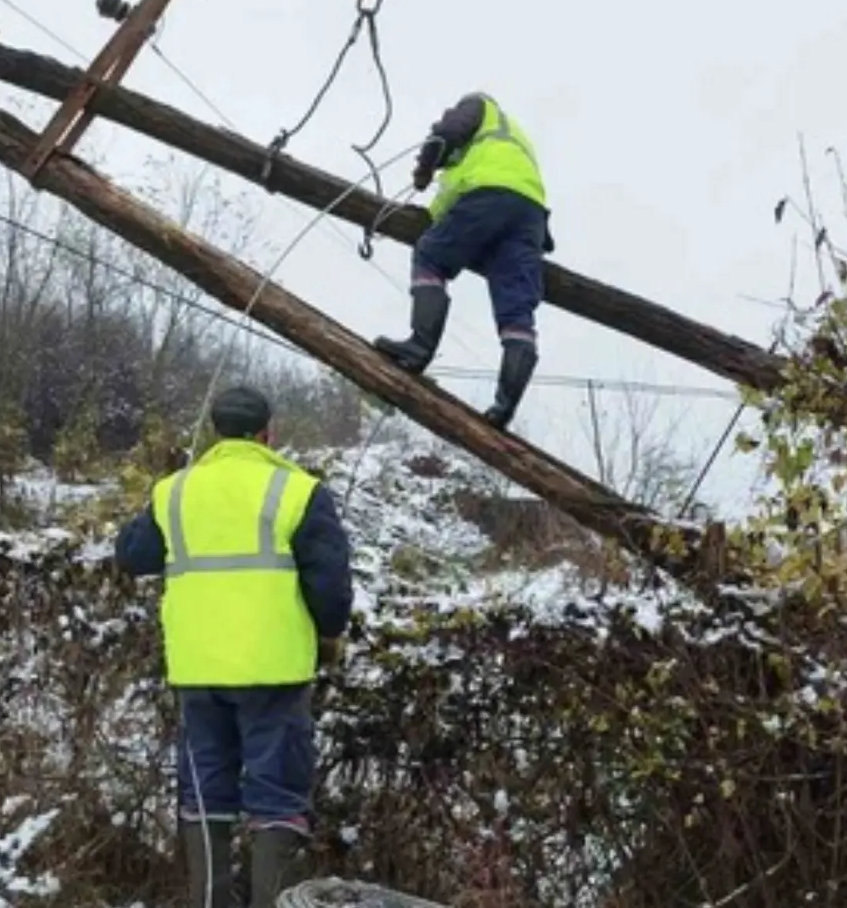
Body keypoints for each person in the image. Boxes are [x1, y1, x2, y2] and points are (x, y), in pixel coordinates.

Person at [113, 386, 354, 908]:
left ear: (215, 431)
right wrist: (328, 635)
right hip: (275, 668)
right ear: (270, 432)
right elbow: (330, 586)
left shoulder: (175, 491)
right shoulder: (298, 490)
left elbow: (132, 555)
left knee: (205, 792)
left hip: (197, 668)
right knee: (278, 797)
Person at [374, 91, 554, 430]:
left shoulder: (480, 105)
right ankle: (504, 407)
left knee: (430, 256)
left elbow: (445, 134)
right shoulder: (509, 143)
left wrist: (425, 168)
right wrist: (431, 207)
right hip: (530, 214)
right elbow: (445, 206)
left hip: (488, 195)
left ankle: (419, 348)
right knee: (517, 314)